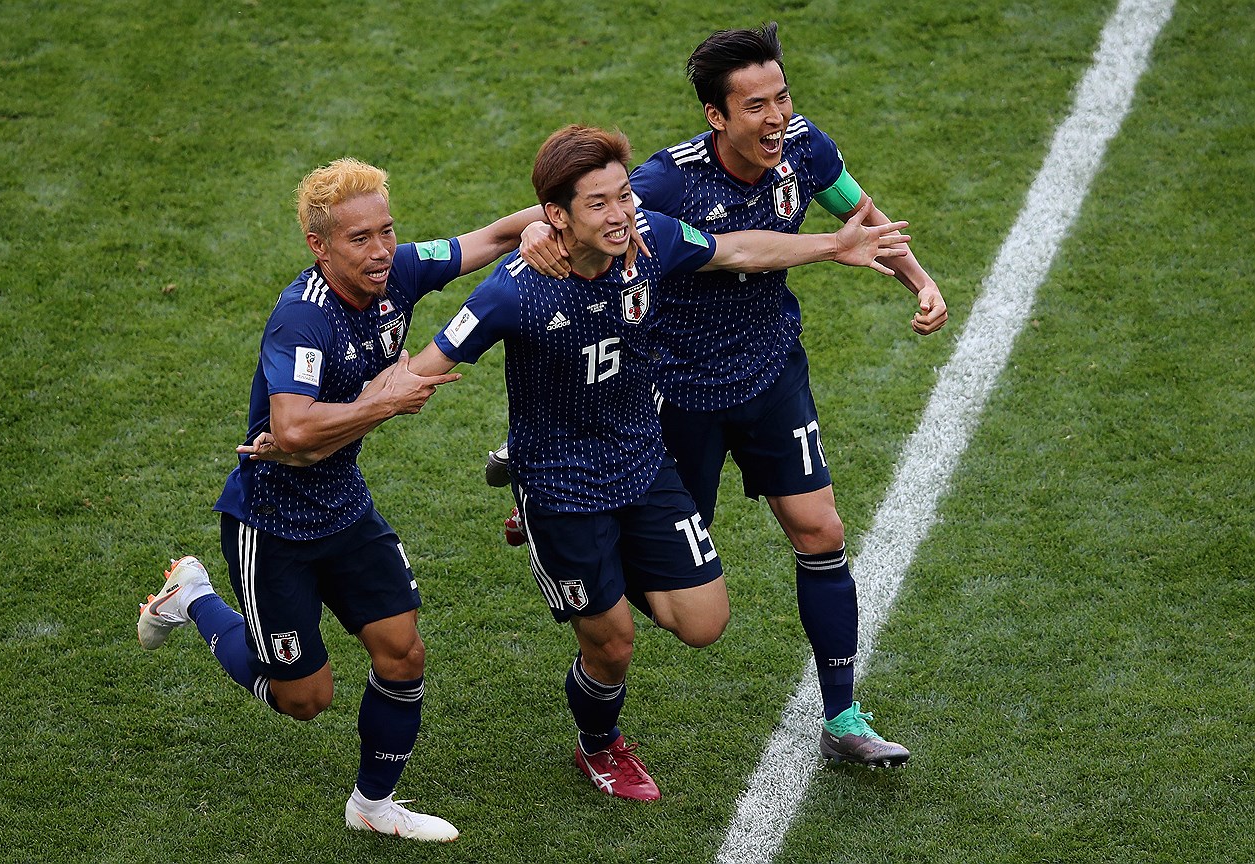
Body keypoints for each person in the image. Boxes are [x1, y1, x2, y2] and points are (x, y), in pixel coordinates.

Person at [408, 125, 911, 800]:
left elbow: (735, 247)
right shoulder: (513, 291)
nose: (620, 214)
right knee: (612, 644)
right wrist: (320, 424)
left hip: (643, 462)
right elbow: (423, 370)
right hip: (562, 485)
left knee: (704, 624)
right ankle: (599, 745)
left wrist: (832, 245)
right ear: (556, 217)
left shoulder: (652, 241)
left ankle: (582, 563)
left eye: (623, 196)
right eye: (598, 203)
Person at [515, 23, 948, 769]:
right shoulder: (667, 180)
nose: (776, 116)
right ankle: (548, 494)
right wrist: (531, 237)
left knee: (820, 531)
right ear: (717, 116)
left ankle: (843, 715)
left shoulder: (805, 148)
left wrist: (919, 277)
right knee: (668, 598)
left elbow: (859, 215)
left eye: (781, 97)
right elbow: (574, 214)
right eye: (755, 105)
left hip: (771, 371)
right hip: (676, 389)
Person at [135, 157, 555, 842]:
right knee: (305, 698)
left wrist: (546, 225)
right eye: (359, 238)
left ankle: (372, 804)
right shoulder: (302, 320)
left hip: (345, 507)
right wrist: (381, 400)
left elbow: (500, 235)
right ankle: (194, 600)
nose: (380, 250)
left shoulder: (400, 270)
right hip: (272, 525)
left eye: (386, 231)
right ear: (319, 246)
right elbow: (293, 427)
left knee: (402, 653)